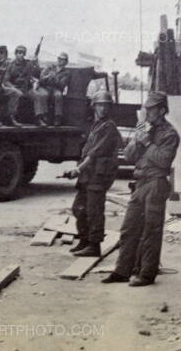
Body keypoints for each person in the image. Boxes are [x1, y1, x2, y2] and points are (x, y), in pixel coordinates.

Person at [102, 90, 180, 287]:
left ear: (162, 110)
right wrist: (137, 139)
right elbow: (129, 157)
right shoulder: (145, 129)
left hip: (155, 183)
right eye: (146, 109)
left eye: (151, 109)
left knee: (151, 230)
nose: (147, 113)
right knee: (129, 228)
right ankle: (122, 270)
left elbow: (163, 161)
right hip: (140, 183)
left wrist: (147, 142)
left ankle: (147, 273)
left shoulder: (170, 134)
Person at [66, 90, 121, 257]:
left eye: (106, 105)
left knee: (94, 211)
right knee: (79, 208)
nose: (103, 108)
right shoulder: (96, 125)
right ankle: (84, 240)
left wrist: (78, 169)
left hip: (98, 175)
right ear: (94, 106)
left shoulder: (109, 127)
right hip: (88, 175)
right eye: (100, 105)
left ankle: (94, 245)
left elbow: (94, 153)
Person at [3, 45, 45, 126]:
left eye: (23, 53)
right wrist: (13, 88)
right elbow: (6, 81)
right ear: (16, 54)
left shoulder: (28, 64)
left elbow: (36, 73)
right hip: (16, 87)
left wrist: (36, 63)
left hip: (26, 88)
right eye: (19, 53)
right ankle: (12, 117)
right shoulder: (11, 65)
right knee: (17, 94)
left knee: (37, 95)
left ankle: (38, 118)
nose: (21, 55)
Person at [38, 52, 71, 126]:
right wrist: (48, 77)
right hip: (45, 87)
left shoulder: (67, 72)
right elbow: (41, 78)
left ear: (66, 62)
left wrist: (55, 78)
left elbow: (62, 85)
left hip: (56, 89)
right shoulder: (49, 67)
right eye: (59, 58)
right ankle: (44, 116)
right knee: (43, 94)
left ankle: (57, 117)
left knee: (58, 95)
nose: (60, 60)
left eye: (62, 59)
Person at [0, 45, 23, 127]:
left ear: (3, 54)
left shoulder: (7, 64)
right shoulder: (1, 63)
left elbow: (6, 79)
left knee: (15, 93)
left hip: (4, 85)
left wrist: (9, 87)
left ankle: (10, 117)